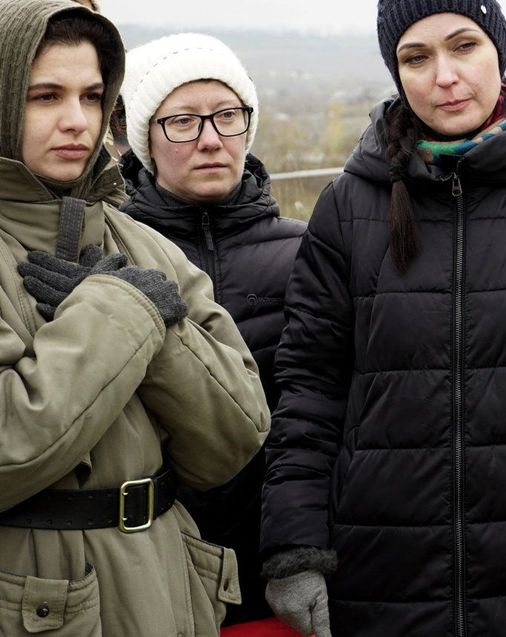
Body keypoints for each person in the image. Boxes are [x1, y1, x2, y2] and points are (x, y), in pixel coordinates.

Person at [259, 1, 506, 636]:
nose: (444, 75)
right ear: (396, 72)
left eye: (463, 45)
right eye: (416, 57)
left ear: (498, 50)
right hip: (382, 576)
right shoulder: (348, 207)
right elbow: (310, 385)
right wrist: (295, 545)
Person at [0, 1, 270, 635]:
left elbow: (234, 439)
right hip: (42, 603)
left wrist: (160, 331)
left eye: (93, 96)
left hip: (172, 588)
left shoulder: (144, 247)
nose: (76, 121)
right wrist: (121, 308)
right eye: (45, 96)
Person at [118, 32, 307, 628]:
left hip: (283, 570)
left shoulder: (308, 253)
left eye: (227, 116)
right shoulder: (107, 258)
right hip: (150, 575)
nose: (210, 139)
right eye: (182, 121)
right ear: (144, 139)